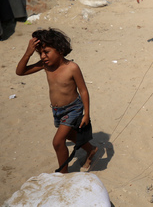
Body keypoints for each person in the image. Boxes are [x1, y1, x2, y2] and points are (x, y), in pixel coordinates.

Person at [15, 28, 97, 173]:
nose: (43, 56)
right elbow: (20, 72)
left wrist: (87, 114)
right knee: (70, 135)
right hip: (57, 110)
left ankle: (63, 173)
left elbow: (83, 90)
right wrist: (28, 53)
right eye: (40, 53)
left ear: (59, 49)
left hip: (73, 109)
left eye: (46, 51)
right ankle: (91, 149)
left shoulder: (72, 68)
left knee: (58, 142)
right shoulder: (46, 65)